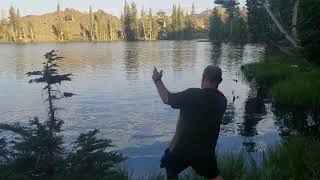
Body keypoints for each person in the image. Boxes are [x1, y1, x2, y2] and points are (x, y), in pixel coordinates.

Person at [152, 65, 227, 180]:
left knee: (170, 166)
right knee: (214, 175)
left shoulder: (192, 94)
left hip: (181, 150)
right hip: (205, 152)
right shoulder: (222, 100)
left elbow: (167, 98)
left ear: (203, 77)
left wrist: (157, 80)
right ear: (220, 81)